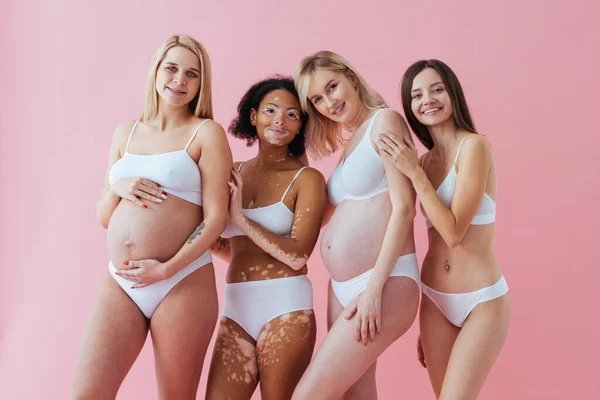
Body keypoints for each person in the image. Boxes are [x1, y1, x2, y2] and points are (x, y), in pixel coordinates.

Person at [71, 35, 232, 399]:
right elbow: (103, 215)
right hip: (121, 281)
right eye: (171, 69)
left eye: (192, 74)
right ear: (156, 71)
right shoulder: (125, 133)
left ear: (201, 84)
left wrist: (166, 269)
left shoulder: (206, 133)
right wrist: (119, 184)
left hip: (181, 280)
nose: (179, 81)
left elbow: (216, 219)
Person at [378, 59, 510, 399]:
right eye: (417, 95)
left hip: (482, 299)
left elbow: (453, 232)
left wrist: (415, 174)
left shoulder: (475, 147)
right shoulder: (422, 161)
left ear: (452, 93)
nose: (428, 100)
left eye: (436, 89)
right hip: (434, 300)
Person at [292, 51, 420, 399]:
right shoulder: (352, 142)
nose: (329, 102)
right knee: (355, 395)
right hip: (342, 288)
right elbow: (321, 215)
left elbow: (406, 209)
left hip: (385, 280)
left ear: (350, 75)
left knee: (308, 395)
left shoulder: (385, 121)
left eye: (332, 87)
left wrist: (373, 290)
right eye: (317, 99)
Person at [205, 76, 326, 400]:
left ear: (300, 126)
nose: (279, 120)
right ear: (253, 116)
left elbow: (297, 256)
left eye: (291, 114)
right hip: (236, 305)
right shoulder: (232, 172)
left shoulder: (307, 179)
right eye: (271, 110)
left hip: (286, 306)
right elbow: (230, 247)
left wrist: (241, 218)